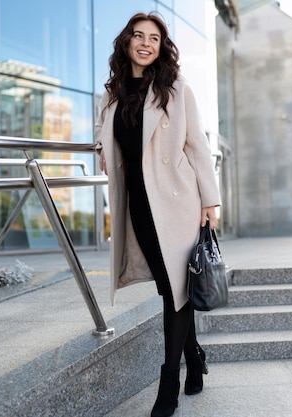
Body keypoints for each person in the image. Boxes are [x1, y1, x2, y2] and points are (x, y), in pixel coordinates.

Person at [94, 12, 221, 417]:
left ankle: (170, 381)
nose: (146, 43)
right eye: (138, 36)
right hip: (138, 203)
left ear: (162, 46)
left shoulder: (176, 88)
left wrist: (210, 200)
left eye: (154, 38)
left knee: (177, 287)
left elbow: (197, 146)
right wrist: (101, 152)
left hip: (177, 200)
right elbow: (103, 135)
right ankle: (196, 356)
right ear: (127, 43)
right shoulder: (112, 93)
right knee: (171, 288)